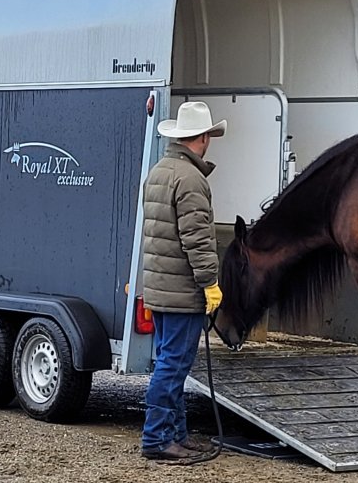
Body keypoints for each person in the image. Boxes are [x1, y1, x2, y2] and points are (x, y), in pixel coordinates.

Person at [140, 101, 226, 464]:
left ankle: (176, 434)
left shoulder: (161, 170)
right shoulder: (190, 179)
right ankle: (157, 439)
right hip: (181, 293)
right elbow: (196, 238)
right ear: (203, 137)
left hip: (161, 289)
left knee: (168, 361)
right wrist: (209, 283)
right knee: (172, 366)